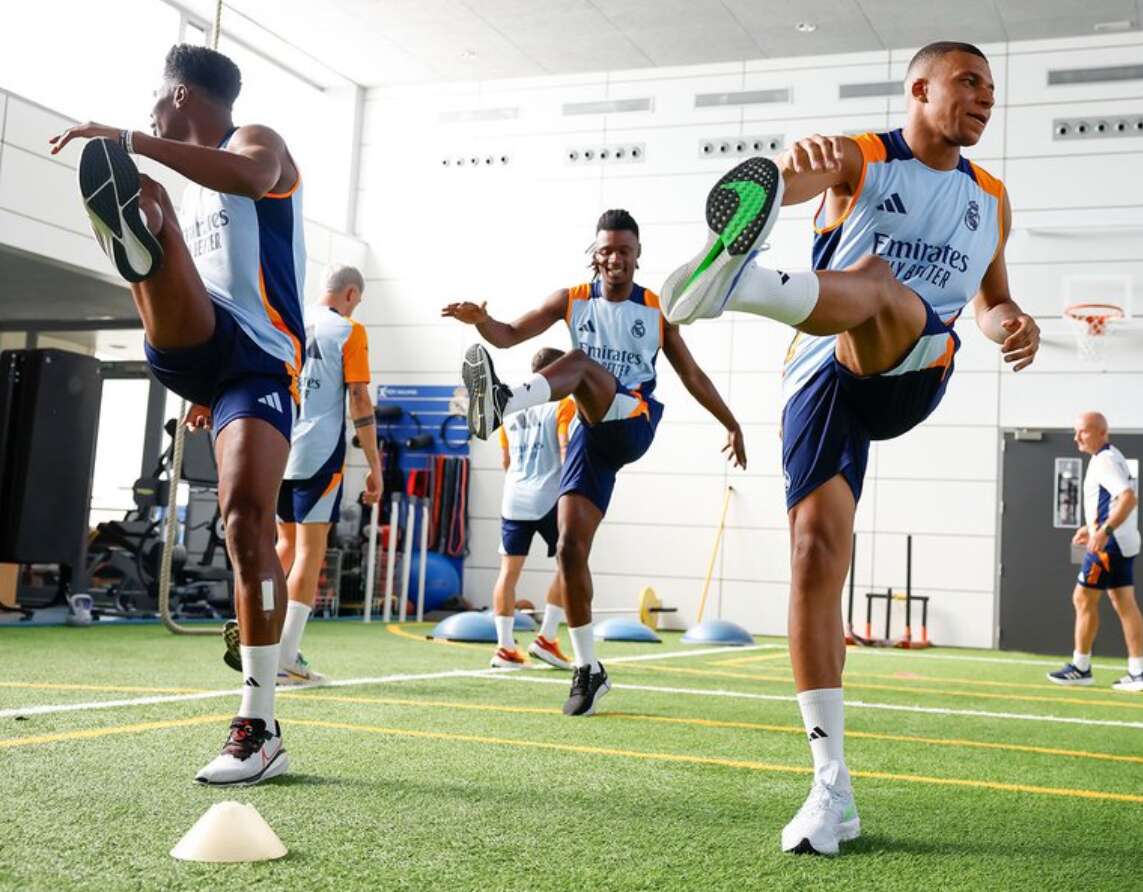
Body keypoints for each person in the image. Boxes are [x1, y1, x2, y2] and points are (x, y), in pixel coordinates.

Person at [658, 42, 1041, 855]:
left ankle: (741, 284)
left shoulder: (991, 200)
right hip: (819, 374)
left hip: (915, 360)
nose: (983, 98)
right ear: (920, 88)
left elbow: (992, 300)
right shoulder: (862, 158)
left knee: (877, 282)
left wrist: (1009, 324)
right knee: (812, 555)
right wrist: (786, 171)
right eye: (968, 82)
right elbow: (781, 187)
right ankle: (829, 786)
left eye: (990, 88)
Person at [51, 44, 305, 786]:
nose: (150, 111)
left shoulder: (256, 143)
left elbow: (255, 178)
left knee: (245, 519)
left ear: (183, 98)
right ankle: (136, 229)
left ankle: (258, 724)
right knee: (150, 195)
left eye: (156, 101)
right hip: (194, 350)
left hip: (258, 362)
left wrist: (126, 140)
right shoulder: (186, 188)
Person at [443, 209, 745, 717]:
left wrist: (730, 422)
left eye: (624, 250)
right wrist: (480, 322)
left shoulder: (656, 310)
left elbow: (693, 376)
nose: (614, 258)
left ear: (637, 254)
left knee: (581, 365)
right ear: (595, 253)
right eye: (606, 250)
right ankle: (589, 669)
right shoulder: (571, 299)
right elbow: (510, 335)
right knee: (568, 550)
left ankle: (502, 401)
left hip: (632, 421)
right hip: (589, 433)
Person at [225, 266, 382, 685]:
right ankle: (285, 655)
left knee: (284, 545)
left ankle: (257, 635)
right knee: (311, 549)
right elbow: (359, 399)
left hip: (279, 444)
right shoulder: (349, 331)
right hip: (318, 451)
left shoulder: (289, 320)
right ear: (350, 293)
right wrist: (375, 466)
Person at [491, 347, 576, 670]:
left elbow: (505, 461)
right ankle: (547, 638)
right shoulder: (563, 404)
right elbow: (566, 449)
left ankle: (505, 648)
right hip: (550, 497)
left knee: (508, 574)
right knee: (569, 564)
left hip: (514, 497)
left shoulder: (511, 408)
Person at [1048, 412, 1142, 691]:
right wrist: (1091, 527)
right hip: (1121, 542)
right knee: (1125, 604)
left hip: (1109, 546)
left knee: (1083, 598)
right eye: (1076, 432)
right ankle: (1138, 670)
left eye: (1083, 432)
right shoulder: (1111, 457)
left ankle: (1081, 666)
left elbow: (1128, 498)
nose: (1077, 437)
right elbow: (1114, 501)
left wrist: (1103, 532)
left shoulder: (1104, 461)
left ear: (1102, 432)